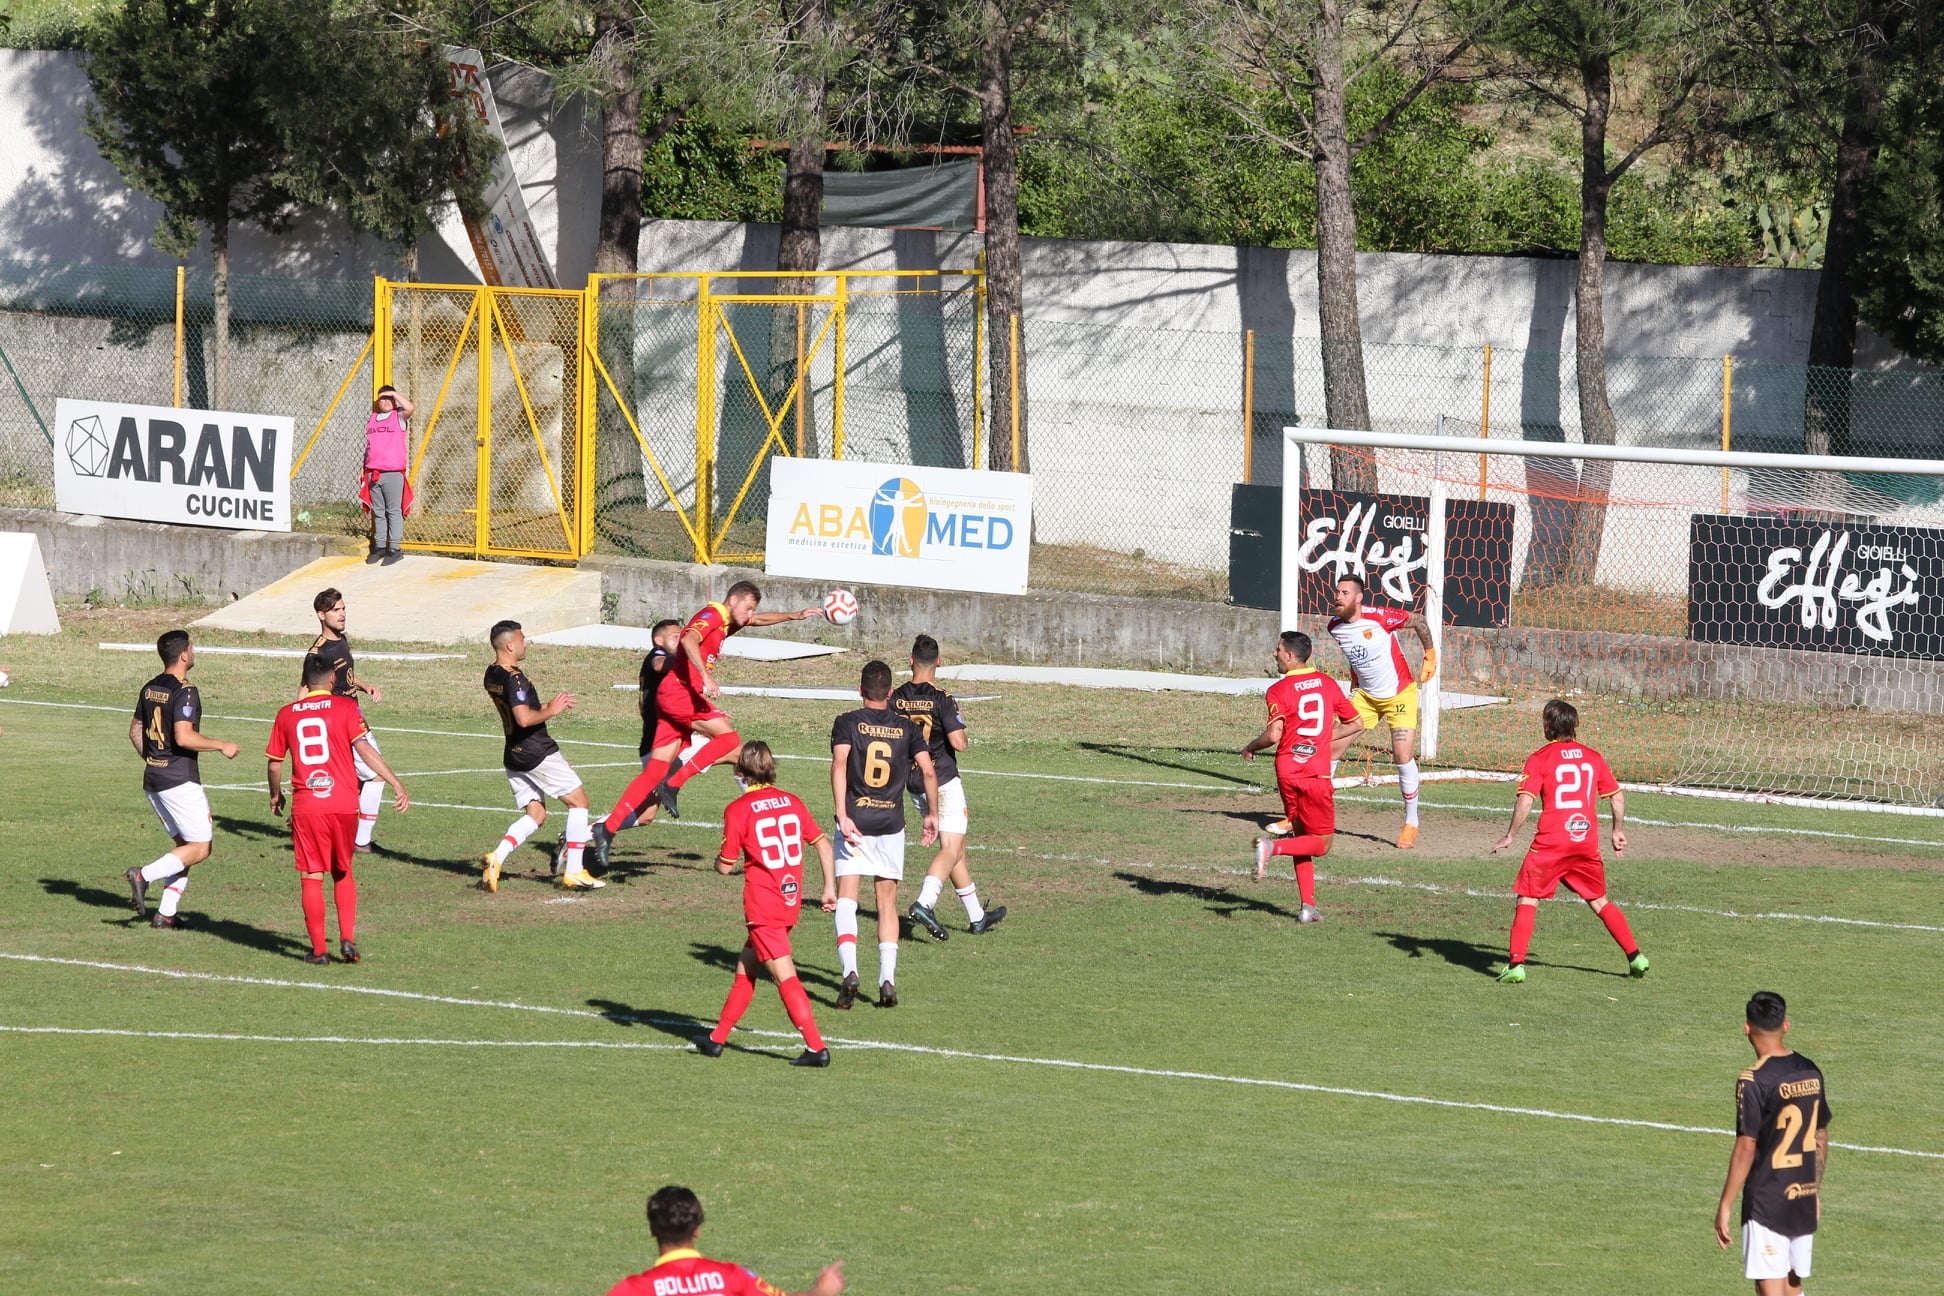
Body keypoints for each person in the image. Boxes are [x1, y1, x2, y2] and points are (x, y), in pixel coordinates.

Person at [592, 582, 821, 857]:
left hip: (674, 698)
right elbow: (689, 638)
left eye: (753, 609)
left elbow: (758, 620)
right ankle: (674, 784)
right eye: (748, 606)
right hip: (679, 694)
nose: (750, 613)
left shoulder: (728, 622)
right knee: (730, 739)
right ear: (733, 600)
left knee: (654, 772)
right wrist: (705, 676)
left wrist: (794, 615)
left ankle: (606, 828)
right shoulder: (713, 614)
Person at [1488, 698, 1648, 983]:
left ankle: (1515, 965)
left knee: (1527, 897)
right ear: (1575, 726)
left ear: (1548, 727)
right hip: (1585, 840)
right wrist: (1617, 830)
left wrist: (1510, 834)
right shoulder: (1594, 757)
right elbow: (1618, 798)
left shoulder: (1539, 759)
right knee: (1599, 900)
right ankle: (1636, 957)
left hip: (1551, 843)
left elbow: (1526, 800)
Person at [697, 741, 837, 1066]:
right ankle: (717, 1039)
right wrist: (829, 887)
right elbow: (823, 845)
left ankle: (817, 1048)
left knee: (785, 976)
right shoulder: (792, 802)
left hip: (763, 907)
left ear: (740, 771)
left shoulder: (738, 809)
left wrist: (718, 861)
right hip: (790, 901)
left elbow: (726, 865)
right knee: (746, 969)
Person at [266, 657, 409, 964]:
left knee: (312, 874)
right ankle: (347, 939)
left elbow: (275, 763)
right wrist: (394, 782)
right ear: (333, 680)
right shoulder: (346, 709)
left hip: (308, 807)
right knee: (342, 871)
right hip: (344, 804)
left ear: (304, 684)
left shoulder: (286, 714)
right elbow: (365, 750)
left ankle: (319, 951)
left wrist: (275, 795)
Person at [830, 660, 937, 1009]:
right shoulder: (906, 728)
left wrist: (843, 814)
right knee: (886, 901)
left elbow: (840, 765)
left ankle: (850, 971)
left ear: (860, 690)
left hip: (856, 819)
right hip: (891, 823)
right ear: (891, 693)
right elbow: (929, 771)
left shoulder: (847, 722)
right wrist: (932, 813)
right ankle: (887, 979)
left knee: (847, 895)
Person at [1714, 991, 1832, 1296]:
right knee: (1794, 1287)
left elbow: (1746, 1147)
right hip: (1802, 1196)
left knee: (1772, 1291)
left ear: (1747, 1028)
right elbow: (1820, 1134)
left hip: (1767, 1203)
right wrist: (1813, 1189)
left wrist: (1725, 1204)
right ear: (1786, 1025)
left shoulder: (1753, 1080)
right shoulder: (1810, 1070)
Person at [1241, 630, 1362, 923]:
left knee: (1302, 835)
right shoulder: (1328, 685)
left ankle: (1308, 906)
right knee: (1321, 844)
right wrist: (1323, 738)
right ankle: (1273, 848)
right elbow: (1356, 723)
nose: (1275, 654)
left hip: (1287, 771)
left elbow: (1274, 735)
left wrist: (1250, 746)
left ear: (1291, 656)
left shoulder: (1277, 690)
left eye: (1278, 650)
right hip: (1314, 774)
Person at [123, 630, 239, 929]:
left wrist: (154, 760)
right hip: (178, 780)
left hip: (154, 778)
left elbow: (135, 731)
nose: (194, 650)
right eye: (192, 646)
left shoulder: (150, 687)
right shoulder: (185, 690)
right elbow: (184, 736)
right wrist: (221, 745)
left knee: (184, 848)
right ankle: (143, 875)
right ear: (184, 654)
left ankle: (166, 913)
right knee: (201, 847)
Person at [893, 634, 1006, 941]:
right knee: (951, 848)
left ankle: (977, 917)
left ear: (911, 660)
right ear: (939, 662)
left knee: (958, 849)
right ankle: (925, 902)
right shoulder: (942, 697)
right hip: (942, 778)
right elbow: (959, 743)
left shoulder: (897, 696)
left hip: (914, 782)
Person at [478, 620, 602, 892]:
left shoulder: (492, 673)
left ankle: (496, 858)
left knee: (536, 814)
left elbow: (520, 708)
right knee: (579, 802)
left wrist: (548, 705)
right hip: (536, 750)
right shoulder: (515, 677)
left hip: (513, 753)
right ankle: (575, 871)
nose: (526, 643)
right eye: (523, 639)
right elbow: (524, 718)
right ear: (510, 645)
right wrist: (552, 711)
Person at [1325, 574, 1437, 848]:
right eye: (1337, 592)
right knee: (1330, 748)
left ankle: (1411, 823)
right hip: (1366, 698)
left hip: (1400, 694)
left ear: (1358, 597)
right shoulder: (1335, 627)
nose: (1337, 597)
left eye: (1344, 592)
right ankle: (1307, 814)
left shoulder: (1380, 617)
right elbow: (1355, 656)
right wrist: (1355, 684)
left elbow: (1419, 620)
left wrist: (1430, 654)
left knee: (1401, 755)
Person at [606, 1185, 844, 1296]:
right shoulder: (730, 1276)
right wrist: (819, 1292)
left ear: (652, 1229)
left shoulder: (633, 1289)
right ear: (697, 1229)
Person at [305, 587, 388, 853]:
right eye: (336, 610)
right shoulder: (318, 653)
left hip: (353, 714)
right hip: (341, 722)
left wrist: (363, 686)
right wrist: (301, 722)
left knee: (352, 781)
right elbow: (307, 688)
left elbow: (345, 674)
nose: (342, 615)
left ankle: (320, 823)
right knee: (376, 775)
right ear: (321, 615)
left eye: (343, 609)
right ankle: (361, 841)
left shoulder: (341, 640)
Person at [362, 384, 414, 565]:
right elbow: (369, 447)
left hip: (392, 473)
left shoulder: (398, 416)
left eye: (389, 398)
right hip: (373, 472)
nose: (386, 401)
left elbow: (410, 408)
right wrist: (362, 470)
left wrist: (393, 393)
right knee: (378, 512)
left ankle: (395, 549)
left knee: (393, 511)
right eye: (382, 398)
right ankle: (380, 547)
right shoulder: (373, 418)